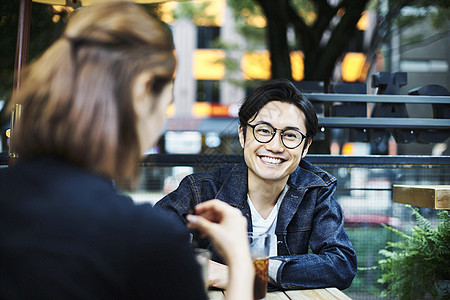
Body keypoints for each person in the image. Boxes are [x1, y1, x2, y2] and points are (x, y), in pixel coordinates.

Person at [0, 2, 253, 299]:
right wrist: (240, 263)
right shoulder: (145, 239)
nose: (162, 120)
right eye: (166, 103)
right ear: (142, 92)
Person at [156, 78, 358, 290]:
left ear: (305, 146)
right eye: (263, 131)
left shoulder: (315, 190)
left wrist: (245, 273)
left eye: (290, 135)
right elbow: (148, 245)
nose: (275, 146)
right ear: (243, 134)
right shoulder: (201, 190)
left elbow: (341, 264)